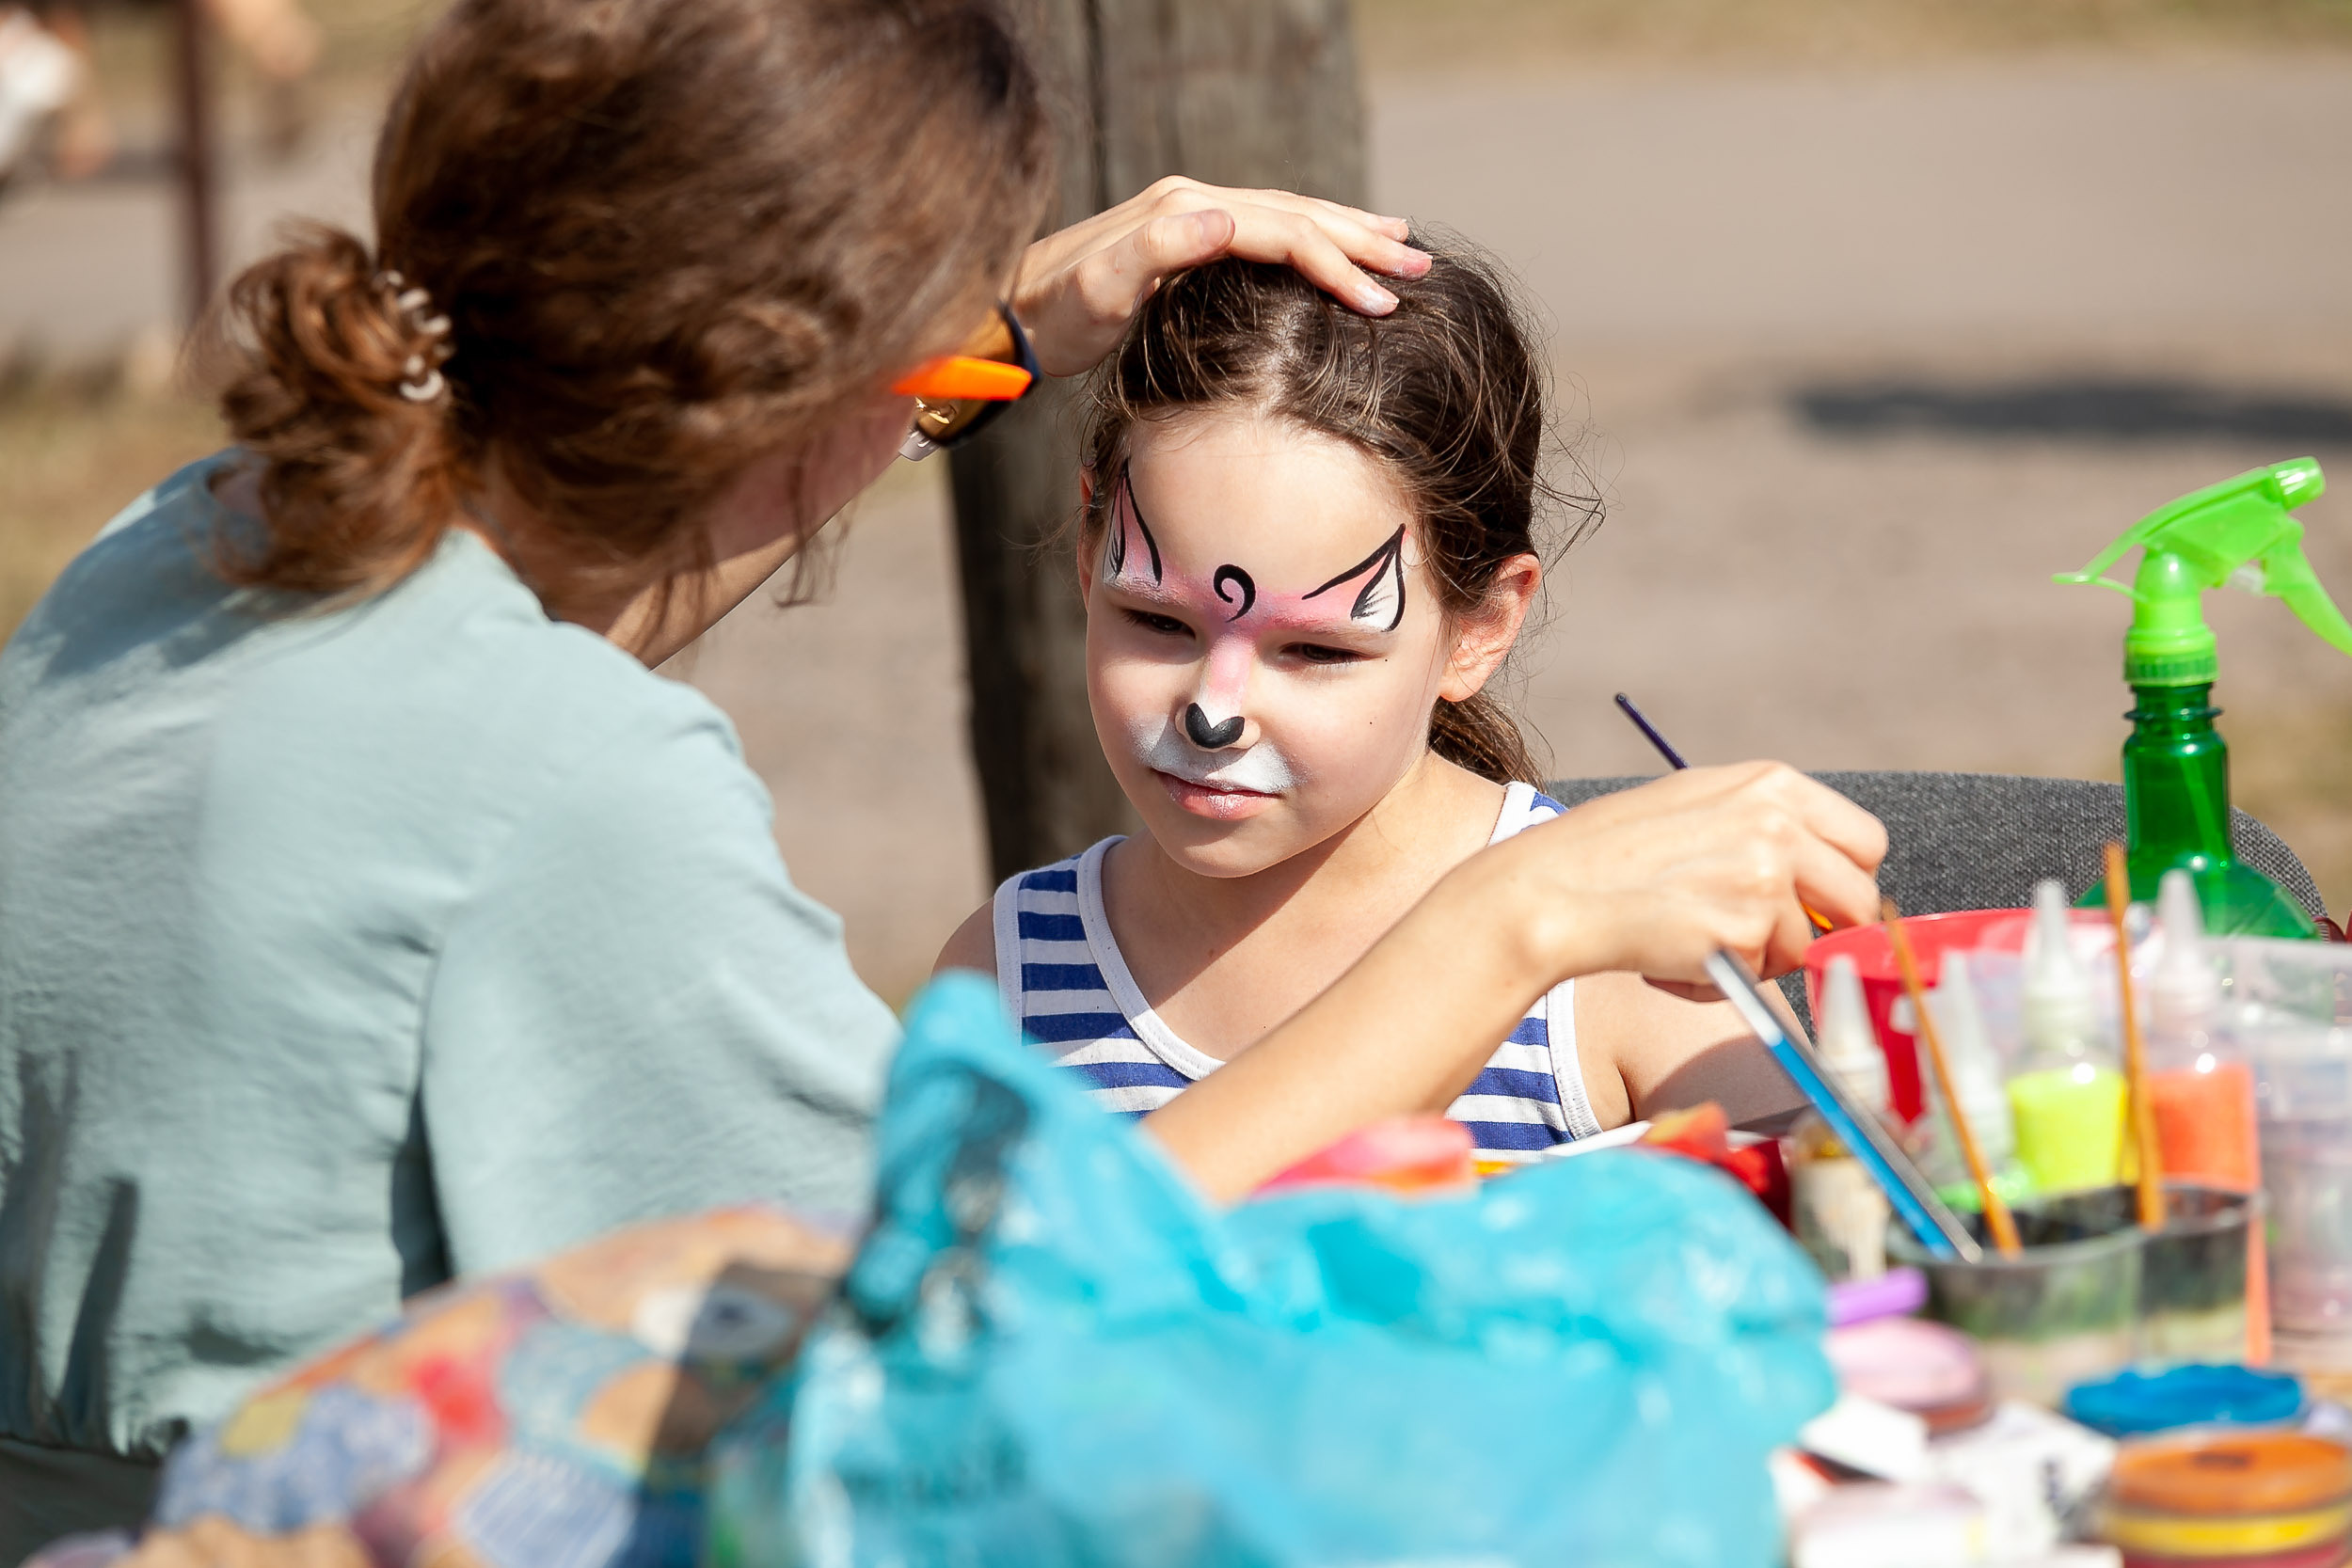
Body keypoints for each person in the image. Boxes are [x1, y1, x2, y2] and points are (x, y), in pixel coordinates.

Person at [0, 0, 1883, 1547]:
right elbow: (957, 1329)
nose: (1219, 705)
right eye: (913, 347)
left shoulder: (208, 539)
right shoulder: (577, 793)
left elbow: (519, 606)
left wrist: (977, 347)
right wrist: (1511, 923)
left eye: (1316, 641)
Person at [940, 244, 1818, 1158]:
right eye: (1158, 622)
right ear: (1089, 562)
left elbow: (1848, 1232)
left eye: (1315, 647)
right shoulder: (1006, 983)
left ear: (1479, 626)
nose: (1214, 709)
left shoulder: (1614, 966)